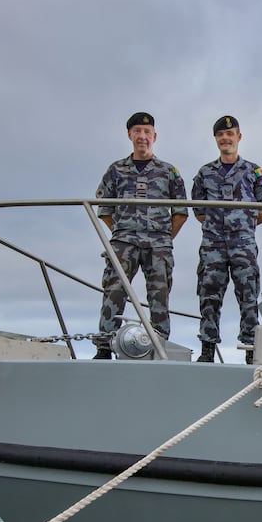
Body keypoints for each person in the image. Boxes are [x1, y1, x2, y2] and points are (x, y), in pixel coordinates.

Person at [93, 112, 188, 359]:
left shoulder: (169, 172)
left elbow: (180, 212)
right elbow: (104, 209)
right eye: (137, 132)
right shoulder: (115, 170)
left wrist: (164, 238)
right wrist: (122, 231)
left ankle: (159, 347)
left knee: (159, 295)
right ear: (129, 135)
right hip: (124, 240)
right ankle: (104, 346)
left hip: (158, 243)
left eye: (147, 132)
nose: (142, 137)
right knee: (114, 290)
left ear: (154, 136)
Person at [191, 115, 262, 363]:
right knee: (209, 295)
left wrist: (244, 223)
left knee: (248, 296)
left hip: (243, 244)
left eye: (230, 134)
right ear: (216, 139)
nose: (225, 138)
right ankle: (207, 349)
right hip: (213, 245)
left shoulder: (253, 171)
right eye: (221, 135)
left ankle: (250, 349)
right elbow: (198, 210)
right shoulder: (205, 173)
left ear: (239, 137)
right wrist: (219, 227)